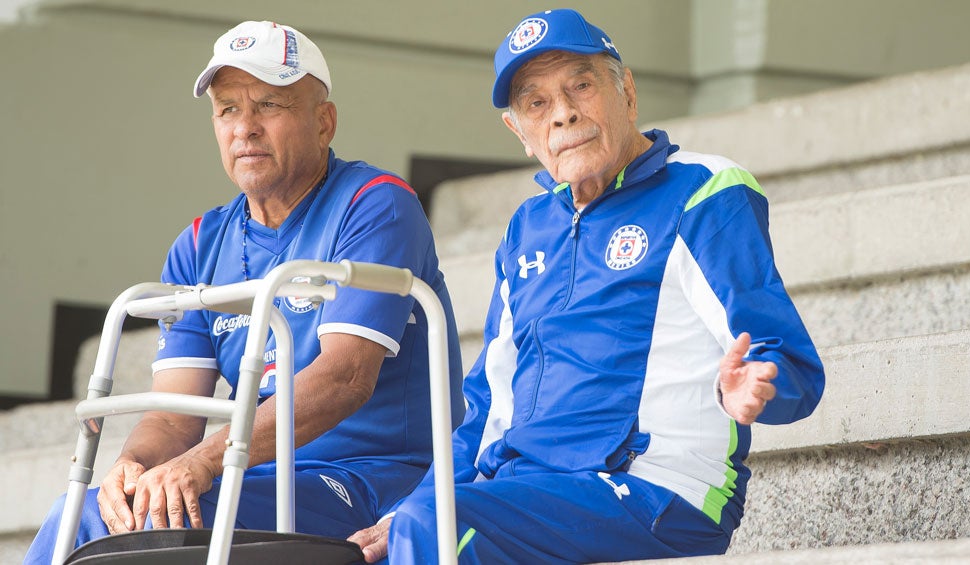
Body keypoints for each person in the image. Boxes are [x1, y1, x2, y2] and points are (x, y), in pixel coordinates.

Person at [349, 8, 825, 564]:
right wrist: (409, 507)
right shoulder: (528, 227)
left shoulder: (703, 190)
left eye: (581, 85)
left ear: (627, 93)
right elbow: (486, 402)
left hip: (656, 491)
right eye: (537, 103)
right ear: (519, 132)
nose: (564, 115)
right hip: (532, 487)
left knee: (440, 527)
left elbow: (788, 360)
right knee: (389, 530)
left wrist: (756, 387)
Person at [25, 20, 463, 564]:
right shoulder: (200, 242)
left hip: (372, 481)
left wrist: (208, 461)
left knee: (159, 515)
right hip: (256, 474)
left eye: (270, 105)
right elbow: (172, 418)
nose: (245, 128)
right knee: (91, 508)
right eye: (228, 108)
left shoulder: (375, 204)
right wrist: (130, 468)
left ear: (324, 122)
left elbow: (345, 377)